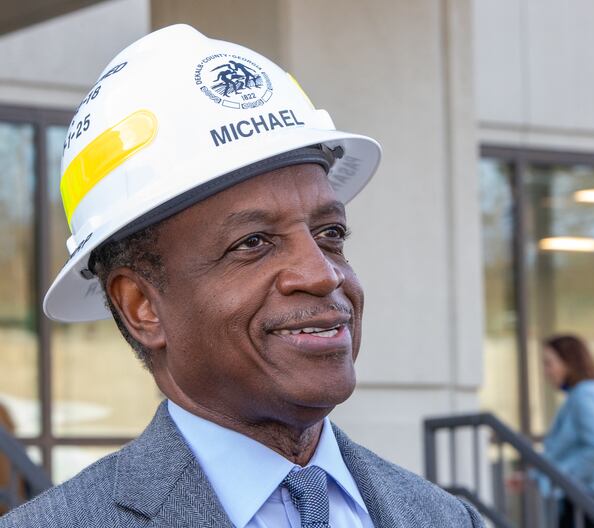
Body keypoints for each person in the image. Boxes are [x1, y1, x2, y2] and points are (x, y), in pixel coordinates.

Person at [0, 25, 483, 527]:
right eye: (253, 243)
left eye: (331, 233)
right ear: (141, 305)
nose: (322, 274)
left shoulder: (443, 517)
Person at [539, 334, 594, 528]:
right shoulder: (585, 393)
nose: (546, 371)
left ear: (569, 362)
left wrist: (566, 479)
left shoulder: (583, 396)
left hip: (586, 500)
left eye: (549, 363)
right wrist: (533, 477)